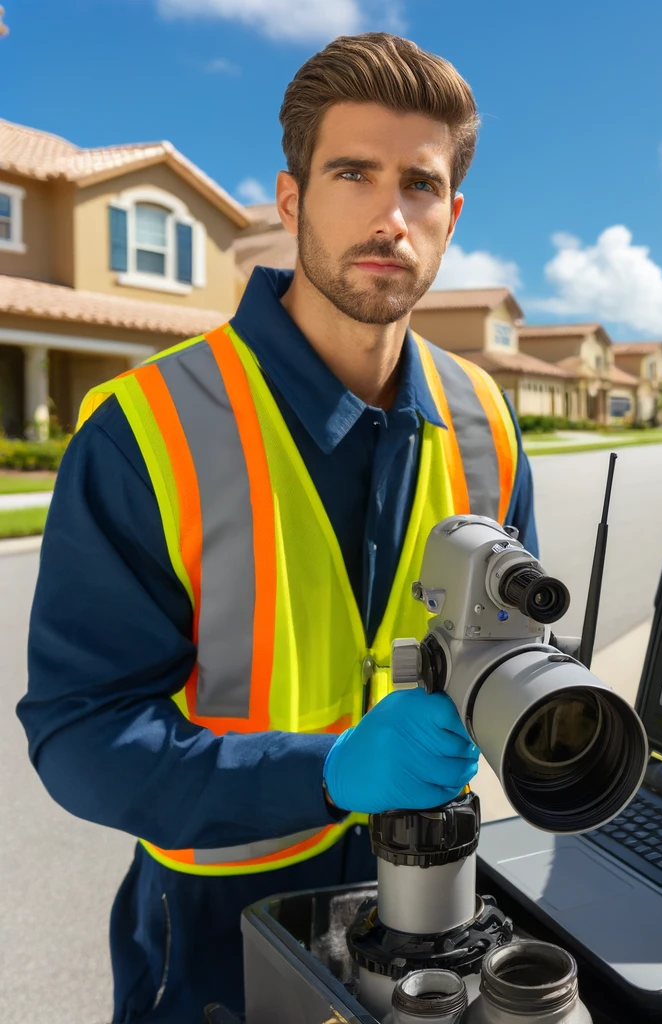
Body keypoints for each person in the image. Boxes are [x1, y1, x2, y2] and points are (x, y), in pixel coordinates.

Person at [17, 33, 537, 1023]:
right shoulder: (145, 429)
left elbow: (511, 654)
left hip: (430, 916)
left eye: (419, 186)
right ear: (292, 198)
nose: (389, 216)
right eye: (353, 173)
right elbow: (81, 736)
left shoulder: (487, 421)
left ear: (452, 215)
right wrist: (327, 770)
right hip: (217, 935)